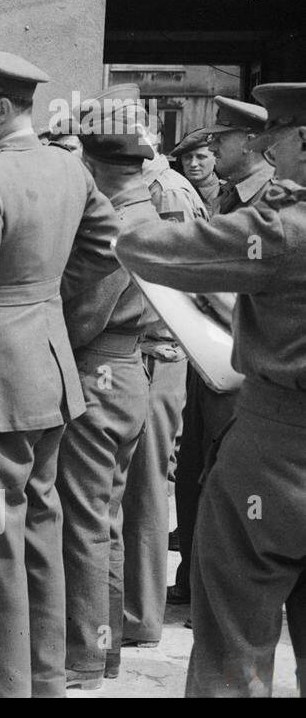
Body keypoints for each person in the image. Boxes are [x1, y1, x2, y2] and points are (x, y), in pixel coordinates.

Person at [0, 45, 118, 698]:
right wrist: (52, 315)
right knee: (40, 525)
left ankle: (3, 689)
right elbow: (107, 255)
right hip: (49, 369)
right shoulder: (71, 170)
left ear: (2, 107)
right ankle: (44, 680)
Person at [116, 81, 306, 697]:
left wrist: (128, 191)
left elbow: (147, 249)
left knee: (234, 637)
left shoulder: (284, 228)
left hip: (280, 445)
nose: (269, 152)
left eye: (277, 139)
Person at [57, 86, 161, 690]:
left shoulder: (120, 226)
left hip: (99, 371)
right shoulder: (144, 215)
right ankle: (104, 646)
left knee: (84, 522)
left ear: (93, 165)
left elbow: (82, 315)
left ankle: (84, 656)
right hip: (124, 376)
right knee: (106, 522)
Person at [169, 95, 271, 607]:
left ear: (252, 141)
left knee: (230, 480)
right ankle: (194, 579)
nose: (210, 146)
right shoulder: (229, 198)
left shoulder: (273, 202)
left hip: (243, 363)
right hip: (206, 355)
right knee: (194, 473)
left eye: (222, 137)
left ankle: (224, 593)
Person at [121, 114, 209, 653]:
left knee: (146, 487)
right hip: (146, 353)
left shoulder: (166, 192)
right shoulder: (154, 186)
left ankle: (140, 615)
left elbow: (175, 284)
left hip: (156, 353)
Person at [172, 128, 220, 217]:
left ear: (215, 159)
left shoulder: (228, 194)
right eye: (187, 157)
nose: (193, 164)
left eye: (201, 157)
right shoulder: (173, 193)